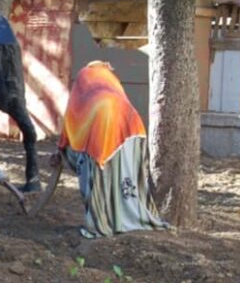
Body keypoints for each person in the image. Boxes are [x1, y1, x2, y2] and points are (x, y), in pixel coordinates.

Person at [50, 61, 166, 238]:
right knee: (128, 175)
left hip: (103, 125)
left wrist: (61, 147)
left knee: (97, 173)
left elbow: (71, 117)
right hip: (133, 126)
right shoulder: (111, 79)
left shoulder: (83, 78)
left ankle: (102, 222)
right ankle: (133, 217)